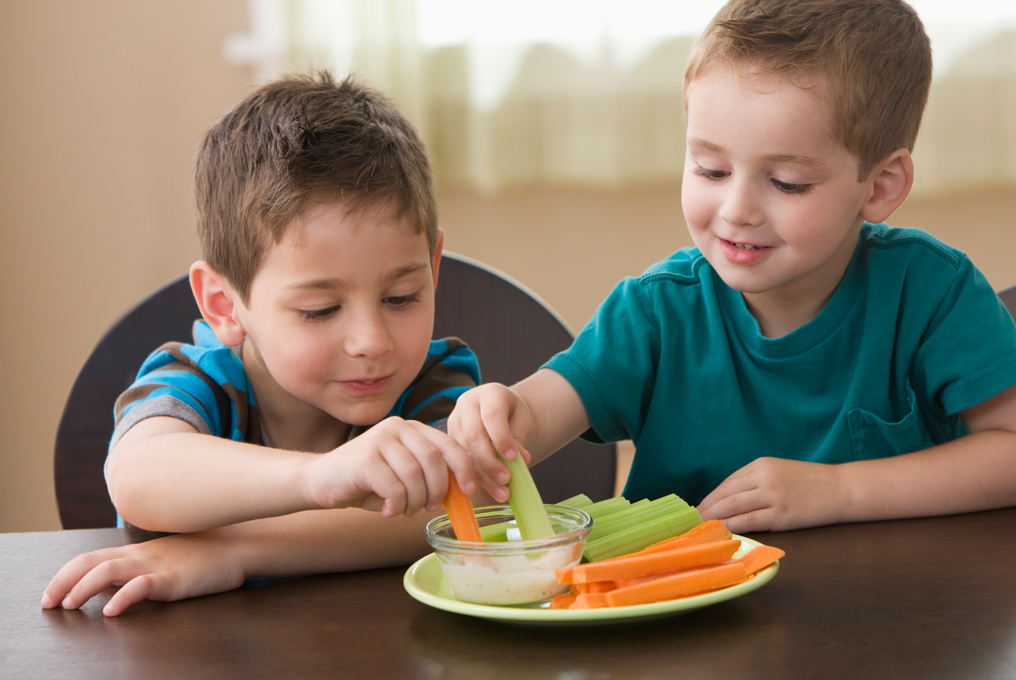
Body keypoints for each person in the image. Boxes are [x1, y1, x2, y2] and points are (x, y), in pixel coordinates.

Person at [449, 0, 1016, 534]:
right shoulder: (655, 311)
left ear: (881, 186)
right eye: (711, 170)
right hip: (685, 603)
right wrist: (508, 411)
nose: (737, 210)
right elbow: (543, 408)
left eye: (787, 182)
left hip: (893, 601)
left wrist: (841, 491)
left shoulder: (933, 293)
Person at [43, 72, 490, 616]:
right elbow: (137, 476)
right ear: (224, 305)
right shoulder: (197, 379)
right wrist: (319, 478)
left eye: (401, 297)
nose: (372, 342)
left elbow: (461, 508)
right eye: (319, 309)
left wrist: (233, 552)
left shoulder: (433, 380)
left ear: (433, 269)